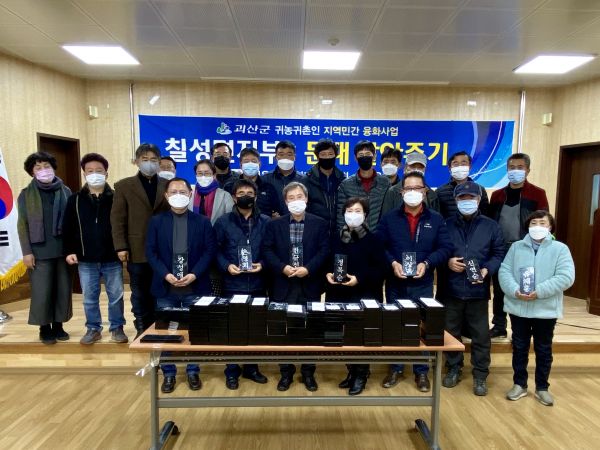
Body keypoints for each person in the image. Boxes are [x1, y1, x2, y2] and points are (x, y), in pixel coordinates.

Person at [377, 171, 452, 392]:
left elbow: (445, 248)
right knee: (395, 324)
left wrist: (427, 263)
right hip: (395, 281)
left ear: (425, 191)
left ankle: (421, 371)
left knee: (422, 325)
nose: (412, 192)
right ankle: (396, 368)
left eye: (417, 188)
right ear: (401, 192)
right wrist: (392, 263)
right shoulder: (389, 218)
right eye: (408, 188)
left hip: (423, 282)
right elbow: (380, 246)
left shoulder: (436, 219)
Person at [146, 177, 217, 393]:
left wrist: (194, 274)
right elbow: (151, 252)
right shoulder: (156, 222)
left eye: (183, 192)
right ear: (166, 196)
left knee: (193, 331)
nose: (178, 195)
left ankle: (193, 370)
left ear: (190, 194)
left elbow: (209, 251)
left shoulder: (202, 222)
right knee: (166, 332)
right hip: (166, 287)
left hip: (195, 286)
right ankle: (168, 373)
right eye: (174, 192)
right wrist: (166, 274)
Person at [499, 211, 575, 406]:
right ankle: (519, 384)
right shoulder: (516, 247)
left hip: (545, 310)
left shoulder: (560, 249)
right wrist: (515, 290)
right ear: (528, 226)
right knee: (519, 347)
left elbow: (566, 277)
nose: (538, 226)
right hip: (519, 307)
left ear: (550, 227)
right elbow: (504, 271)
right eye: (534, 223)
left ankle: (542, 387)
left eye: (542, 223)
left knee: (543, 348)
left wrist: (539, 291)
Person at [436, 182, 504, 396]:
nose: (467, 201)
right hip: (451, 289)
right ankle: (453, 368)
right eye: (462, 198)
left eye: (471, 198)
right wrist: (447, 261)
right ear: (456, 200)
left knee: (481, 335)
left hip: (478, 291)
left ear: (478, 200)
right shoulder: (445, 224)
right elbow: (437, 250)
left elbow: (499, 253)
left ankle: (480, 374)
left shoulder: (491, 226)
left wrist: (487, 270)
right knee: (451, 333)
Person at [262, 182, 329, 392]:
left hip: (309, 284)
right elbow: (267, 250)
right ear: (285, 201)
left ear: (306, 199)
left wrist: (308, 269)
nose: (296, 201)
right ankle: (286, 372)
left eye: (299, 196)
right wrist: (282, 267)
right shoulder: (274, 225)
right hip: (283, 284)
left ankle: (308, 372)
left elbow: (324, 250)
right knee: (284, 330)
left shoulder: (320, 223)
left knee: (311, 329)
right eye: (291, 198)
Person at [63, 153, 128, 345]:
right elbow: (67, 228)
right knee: (89, 297)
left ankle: (117, 327)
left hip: (112, 257)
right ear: (84, 174)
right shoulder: (74, 200)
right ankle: (93, 328)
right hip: (86, 258)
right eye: (90, 171)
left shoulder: (117, 197)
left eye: (99, 170)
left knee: (116, 296)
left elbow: (123, 225)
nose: (94, 174)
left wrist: (123, 248)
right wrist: (69, 250)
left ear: (106, 173)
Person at [326, 197, 385, 396]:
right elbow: (327, 262)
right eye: (349, 210)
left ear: (365, 215)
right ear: (343, 214)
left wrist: (358, 278)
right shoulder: (336, 238)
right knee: (344, 336)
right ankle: (351, 370)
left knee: (360, 335)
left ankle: (362, 373)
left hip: (364, 294)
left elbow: (380, 269)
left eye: (357, 211)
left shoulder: (374, 239)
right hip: (339, 294)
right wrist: (328, 274)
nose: (353, 214)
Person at [214, 179, 270, 390]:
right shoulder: (223, 222)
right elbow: (215, 250)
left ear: (255, 197)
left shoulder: (266, 222)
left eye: (249, 193)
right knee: (233, 328)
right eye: (241, 193)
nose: (245, 196)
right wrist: (226, 265)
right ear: (234, 197)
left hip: (258, 283)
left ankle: (251, 368)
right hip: (232, 283)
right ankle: (231, 370)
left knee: (255, 327)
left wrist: (262, 264)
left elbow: (272, 250)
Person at [487, 153, 549, 339]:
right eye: (512, 167)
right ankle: (499, 325)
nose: (515, 171)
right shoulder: (497, 195)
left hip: (524, 249)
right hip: (500, 249)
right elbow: (490, 222)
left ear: (528, 170)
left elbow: (543, 223)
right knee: (500, 288)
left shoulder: (537, 193)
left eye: (520, 167)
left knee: (524, 286)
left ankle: (521, 329)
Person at [111, 143, 169, 336]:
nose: (149, 163)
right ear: (136, 161)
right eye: (145, 159)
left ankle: (159, 327)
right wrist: (121, 246)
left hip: (163, 249)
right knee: (139, 292)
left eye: (153, 160)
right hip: (137, 248)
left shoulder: (168, 185)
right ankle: (142, 327)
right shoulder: (124, 186)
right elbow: (117, 219)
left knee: (161, 290)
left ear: (159, 162)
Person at [17, 151, 73, 344]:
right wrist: (26, 252)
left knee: (62, 289)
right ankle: (44, 328)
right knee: (42, 291)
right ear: (32, 172)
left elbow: (72, 222)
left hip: (63, 250)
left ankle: (58, 325)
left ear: (53, 168)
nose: (43, 170)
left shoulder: (65, 191)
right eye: (38, 167)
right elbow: (22, 224)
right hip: (39, 251)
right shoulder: (26, 194)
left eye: (46, 166)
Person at [336, 140, 390, 232]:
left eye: (368, 154)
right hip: (353, 236)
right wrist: (344, 236)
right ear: (355, 158)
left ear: (374, 156)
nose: (365, 157)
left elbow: (388, 211)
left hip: (378, 236)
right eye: (361, 155)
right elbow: (341, 216)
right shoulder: (346, 185)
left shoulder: (385, 183)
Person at [301, 138, 346, 240]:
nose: (327, 157)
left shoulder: (342, 179)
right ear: (317, 156)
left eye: (330, 154)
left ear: (336, 155)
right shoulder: (307, 180)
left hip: (338, 234)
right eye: (323, 154)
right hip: (314, 233)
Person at [223, 147, 279, 216]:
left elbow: (276, 212)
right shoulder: (230, 187)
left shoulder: (268, 188)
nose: (250, 164)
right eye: (246, 161)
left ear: (259, 165)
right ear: (241, 165)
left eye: (254, 161)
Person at [436, 151, 489, 218]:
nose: (460, 167)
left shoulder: (480, 189)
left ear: (469, 167)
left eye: (463, 164)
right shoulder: (440, 191)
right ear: (449, 168)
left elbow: (485, 215)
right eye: (456, 164)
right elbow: (437, 217)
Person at [262, 140, 305, 217]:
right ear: (276, 157)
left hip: (298, 220)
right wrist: (268, 216)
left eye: (289, 154)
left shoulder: (304, 180)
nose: (285, 158)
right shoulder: (265, 179)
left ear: (294, 157)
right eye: (281, 155)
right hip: (273, 222)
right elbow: (261, 203)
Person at [189, 159, 233, 225]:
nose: (203, 176)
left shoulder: (225, 196)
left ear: (214, 175)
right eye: (200, 173)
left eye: (207, 173)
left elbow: (230, 220)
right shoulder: (189, 193)